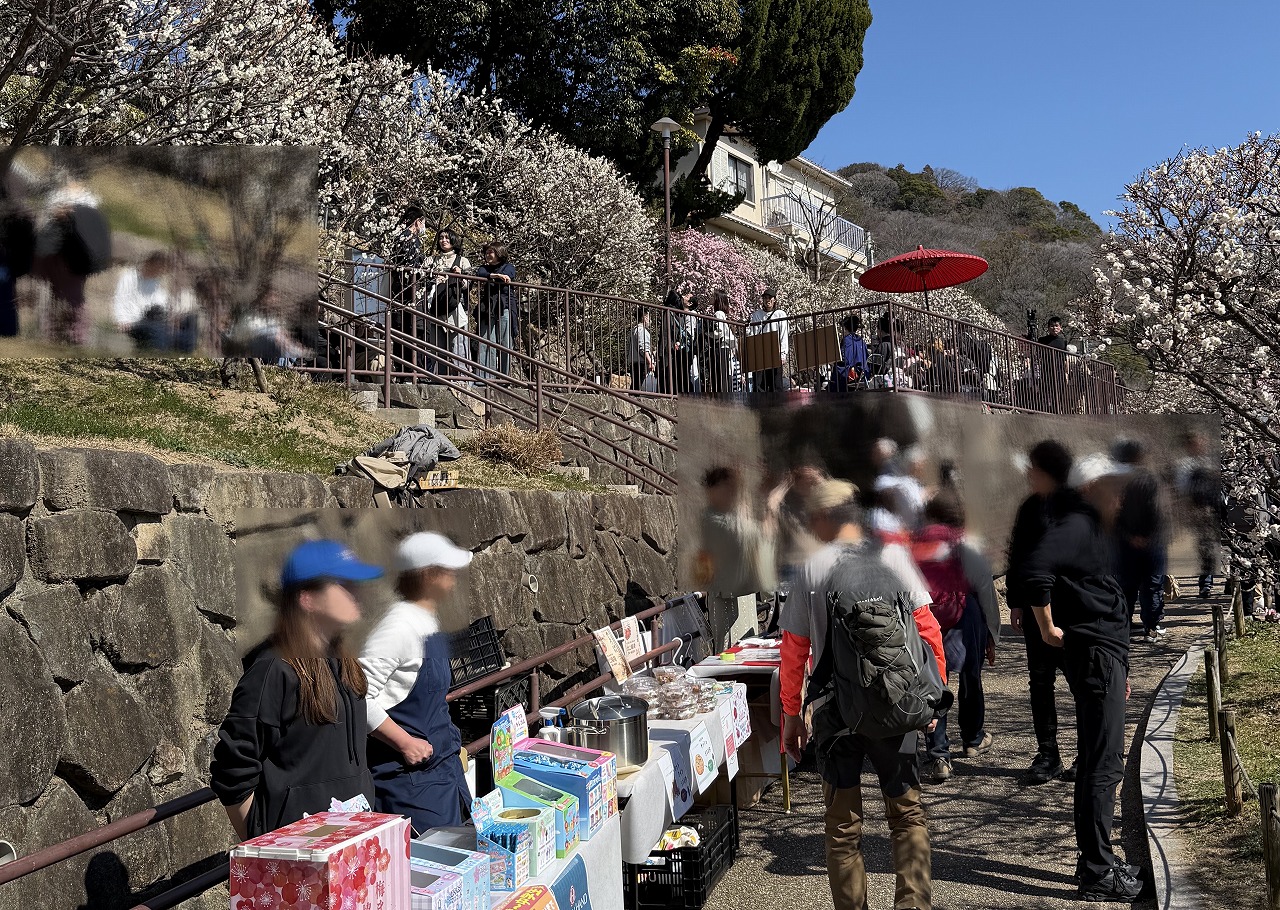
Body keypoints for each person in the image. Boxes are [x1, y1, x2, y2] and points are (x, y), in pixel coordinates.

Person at [780, 479, 945, 910]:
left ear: (822, 519)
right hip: (896, 701)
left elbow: (794, 652)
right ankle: (913, 905)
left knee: (842, 830)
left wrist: (792, 716)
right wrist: (931, 700)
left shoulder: (810, 569)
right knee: (907, 816)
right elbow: (928, 632)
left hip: (835, 714)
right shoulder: (893, 556)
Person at [1024, 453, 1144, 902]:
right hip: (1093, 653)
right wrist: (1046, 627)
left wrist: (1121, 666)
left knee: (1099, 760)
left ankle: (1097, 861)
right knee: (1102, 764)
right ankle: (1096, 870)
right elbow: (1034, 571)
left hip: (1104, 656)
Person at [210, 540, 384, 841]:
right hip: (299, 858)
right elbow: (232, 767)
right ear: (307, 598)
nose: (358, 592)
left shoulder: (343, 660)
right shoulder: (272, 669)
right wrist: (263, 841)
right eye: (344, 584)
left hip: (355, 839)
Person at [360, 532, 474, 834]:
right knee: (428, 872)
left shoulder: (428, 621)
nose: (453, 579)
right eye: (447, 571)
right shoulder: (396, 628)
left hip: (443, 772)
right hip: (410, 783)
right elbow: (356, 697)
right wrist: (404, 742)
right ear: (428, 576)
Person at [913, 491, 999, 784]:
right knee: (970, 677)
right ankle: (973, 739)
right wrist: (992, 634)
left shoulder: (915, 540)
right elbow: (984, 587)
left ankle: (938, 755)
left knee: (934, 681)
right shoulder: (964, 541)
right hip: (963, 614)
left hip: (925, 614)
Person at [1006, 440, 1077, 785]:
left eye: (1033, 468)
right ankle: (1048, 753)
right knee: (1040, 680)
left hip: (1074, 609)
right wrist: (1015, 600)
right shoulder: (1029, 506)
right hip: (1035, 607)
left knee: (1083, 681)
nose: (1027, 474)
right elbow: (1017, 554)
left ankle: (1088, 751)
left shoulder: (1077, 508)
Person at [697, 466, 775, 650]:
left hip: (743, 591)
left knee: (748, 642)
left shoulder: (731, 515)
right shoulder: (710, 517)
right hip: (724, 594)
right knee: (727, 648)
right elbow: (744, 535)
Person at [1112, 439, 1170, 642]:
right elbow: (1157, 511)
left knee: (1126, 587)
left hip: (1126, 544)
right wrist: (1147, 536)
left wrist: (1128, 535)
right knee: (1152, 585)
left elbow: (1113, 513)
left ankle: (1123, 627)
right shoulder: (1150, 479)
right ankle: (1151, 627)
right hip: (1151, 543)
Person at [113, 251, 199, 352]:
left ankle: (186, 350)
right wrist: (122, 320)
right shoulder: (130, 277)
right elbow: (120, 300)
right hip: (137, 321)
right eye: (158, 268)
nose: (160, 272)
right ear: (149, 264)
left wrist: (174, 315)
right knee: (158, 327)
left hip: (155, 316)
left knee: (190, 319)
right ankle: (160, 352)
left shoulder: (154, 282)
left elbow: (161, 302)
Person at [1174, 430, 1222, 598]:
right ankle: (1206, 584)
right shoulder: (1185, 465)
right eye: (1196, 443)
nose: (1201, 445)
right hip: (1201, 511)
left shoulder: (1212, 461)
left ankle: (1231, 583)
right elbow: (1182, 490)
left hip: (1219, 509)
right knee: (1206, 547)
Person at [424, 230, 471, 377]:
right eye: (441, 237)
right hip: (436, 306)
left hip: (455, 306)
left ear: (453, 240)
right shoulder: (431, 260)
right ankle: (440, 378)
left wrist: (459, 275)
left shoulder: (462, 260)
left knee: (458, 345)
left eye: (447, 237)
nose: (443, 240)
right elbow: (422, 280)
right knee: (438, 346)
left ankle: (462, 379)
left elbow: (467, 285)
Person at [388, 205, 428, 375]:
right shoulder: (410, 239)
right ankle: (412, 372)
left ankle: (404, 371)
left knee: (401, 332)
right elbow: (413, 266)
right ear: (418, 222)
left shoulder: (400, 238)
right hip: (408, 292)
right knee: (412, 332)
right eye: (423, 223)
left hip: (400, 292)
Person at [475, 241, 517, 382]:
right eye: (486, 253)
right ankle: (485, 377)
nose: (488, 255)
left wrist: (495, 277)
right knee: (486, 341)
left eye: (490, 252)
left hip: (504, 307)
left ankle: (505, 378)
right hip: (488, 308)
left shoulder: (508, 267)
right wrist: (495, 276)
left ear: (499, 253)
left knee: (505, 343)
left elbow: (509, 275)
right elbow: (481, 272)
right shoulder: (484, 268)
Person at [747, 289, 789, 394]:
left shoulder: (780, 314)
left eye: (770, 298)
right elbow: (753, 334)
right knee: (759, 384)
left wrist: (783, 354)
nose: (767, 300)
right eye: (765, 298)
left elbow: (783, 335)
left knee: (776, 384)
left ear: (774, 300)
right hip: (761, 354)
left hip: (775, 352)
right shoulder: (757, 315)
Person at [659, 288, 694, 394]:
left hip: (668, 348)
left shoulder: (669, 313)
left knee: (666, 374)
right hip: (676, 349)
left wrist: (661, 350)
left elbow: (665, 333)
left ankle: (666, 394)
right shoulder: (679, 315)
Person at [627, 307, 656, 392]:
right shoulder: (642, 331)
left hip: (633, 361)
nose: (649, 320)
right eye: (648, 317)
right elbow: (644, 348)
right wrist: (650, 362)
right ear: (645, 317)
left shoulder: (633, 330)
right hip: (641, 362)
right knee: (638, 386)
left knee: (635, 385)